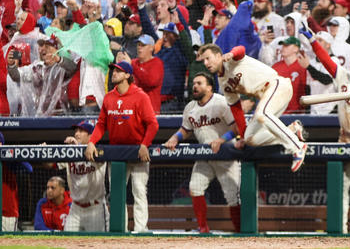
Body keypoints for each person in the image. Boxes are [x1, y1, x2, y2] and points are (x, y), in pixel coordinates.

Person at [302, 27, 350, 234]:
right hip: (344, 139)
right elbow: (326, 61)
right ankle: (341, 230)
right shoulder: (343, 78)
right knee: (342, 187)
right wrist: (312, 40)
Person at [199, 44, 308, 172]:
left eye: (208, 58)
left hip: (277, 85)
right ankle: (292, 129)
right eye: (203, 61)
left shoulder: (231, 60)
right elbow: (236, 109)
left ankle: (297, 147)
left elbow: (241, 50)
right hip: (267, 97)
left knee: (262, 114)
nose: (206, 63)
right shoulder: (223, 82)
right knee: (251, 139)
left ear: (218, 56)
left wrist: (232, 53)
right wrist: (242, 137)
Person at [85, 61, 159, 233]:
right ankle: (120, 231)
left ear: (127, 75)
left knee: (139, 191)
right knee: (117, 193)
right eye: (113, 71)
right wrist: (91, 142)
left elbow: (153, 124)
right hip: (117, 153)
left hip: (137, 152)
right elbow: (101, 124)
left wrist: (144, 145)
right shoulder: (109, 97)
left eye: (118, 71)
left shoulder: (140, 96)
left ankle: (141, 230)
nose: (114, 74)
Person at [164, 73, 241, 233]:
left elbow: (237, 128)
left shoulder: (221, 102)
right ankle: (203, 228)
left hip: (226, 154)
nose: (195, 86)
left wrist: (221, 140)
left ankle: (241, 231)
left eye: (199, 83)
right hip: (205, 154)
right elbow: (186, 129)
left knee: (233, 196)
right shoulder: (190, 107)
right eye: (194, 83)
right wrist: (175, 138)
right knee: (195, 187)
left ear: (209, 87)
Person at [59, 120, 109, 232]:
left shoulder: (98, 150)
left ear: (91, 135)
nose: (77, 134)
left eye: (81, 131)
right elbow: (50, 164)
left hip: (95, 208)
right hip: (75, 208)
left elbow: (90, 153)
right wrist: (44, 149)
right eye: (76, 131)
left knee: (96, 244)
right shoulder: (70, 151)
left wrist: (77, 147)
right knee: (67, 242)